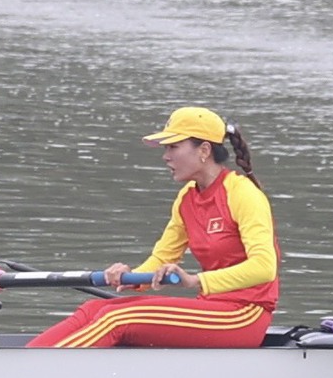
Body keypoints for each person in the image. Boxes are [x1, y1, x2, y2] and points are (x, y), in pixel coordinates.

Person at [28, 107, 278, 349]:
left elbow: (264, 267)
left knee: (117, 318)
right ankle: (22, 361)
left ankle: (31, 372)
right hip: (213, 308)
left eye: (173, 146)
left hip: (244, 314)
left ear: (204, 150)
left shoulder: (243, 194)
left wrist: (194, 280)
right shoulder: (187, 198)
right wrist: (130, 277)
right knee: (93, 309)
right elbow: (162, 258)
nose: (165, 156)